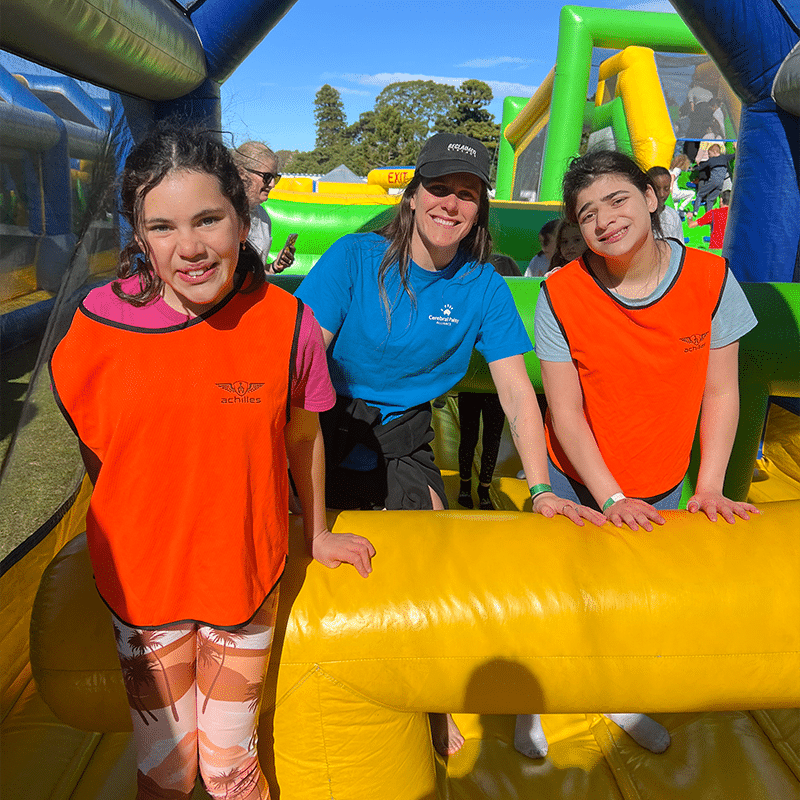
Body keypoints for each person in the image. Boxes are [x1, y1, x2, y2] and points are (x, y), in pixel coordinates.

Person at [50, 125, 375, 800]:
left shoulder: (286, 323)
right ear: (139, 236)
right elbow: (97, 441)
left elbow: (304, 438)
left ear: (242, 216)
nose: (190, 247)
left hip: (242, 578)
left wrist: (314, 533)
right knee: (166, 771)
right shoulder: (98, 326)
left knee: (229, 770)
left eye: (208, 219)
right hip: (144, 592)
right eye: (162, 226)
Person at [295, 132, 606, 757]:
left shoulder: (484, 286)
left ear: (479, 211)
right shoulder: (356, 258)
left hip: (405, 433)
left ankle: (431, 701)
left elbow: (518, 393)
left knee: (429, 554)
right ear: (412, 197)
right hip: (331, 421)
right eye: (439, 189)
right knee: (307, 544)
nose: (451, 205)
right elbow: (304, 365)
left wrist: (541, 488)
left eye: (467, 195)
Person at [517, 149, 760, 761]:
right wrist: (612, 496)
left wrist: (708, 486)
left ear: (652, 199)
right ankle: (532, 698)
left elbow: (721, 389)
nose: (605, 221)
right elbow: (565, 412)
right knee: (559, 592)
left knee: (632, 598)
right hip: (581, 477)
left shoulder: (709, 276)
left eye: (618, 201)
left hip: (663, 477)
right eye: (588, 213)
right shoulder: (561, 292)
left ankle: (617, 693)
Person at [457, 253, 520, 510]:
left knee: (490, 437)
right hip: (473, 382)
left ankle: (483, 487)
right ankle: (465, 485)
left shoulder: (507, 308)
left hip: (494, 385)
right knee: (470, 436)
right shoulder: (476, 301)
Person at [232, 140, 295, 273]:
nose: (272, 184)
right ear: (242, 173)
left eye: (275, 178)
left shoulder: (263, 218)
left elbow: (254, 275)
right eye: (267, 177)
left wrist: (273, 267)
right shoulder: (222, 214)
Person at [691, 143, 735, 216]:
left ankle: (695, 211)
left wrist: (692, 168)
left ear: (714, 152)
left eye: (709, 153)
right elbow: (734, 155)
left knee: (700, 194)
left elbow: (701, 167)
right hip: (720, 184)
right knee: (710, 199)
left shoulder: (711, 160)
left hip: (713, 182)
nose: (708, 156)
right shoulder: (725, 158)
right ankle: (709, 216)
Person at [647, 165, 684, 241]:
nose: (661, 194)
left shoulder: (673, 216)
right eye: (656, 188)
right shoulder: (639, 215)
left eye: (666, 189)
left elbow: (679, 246)